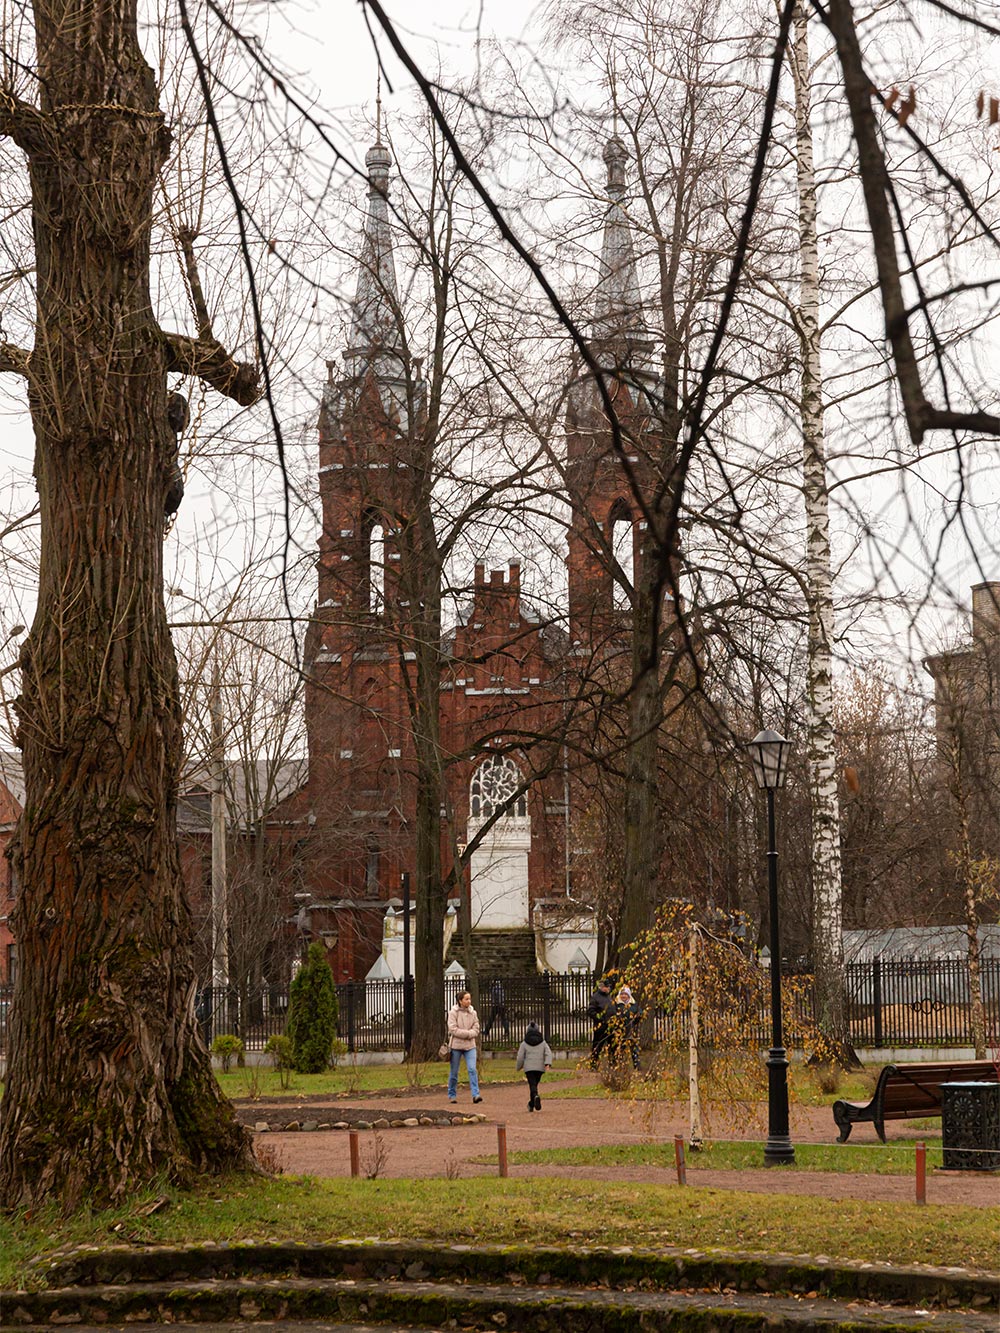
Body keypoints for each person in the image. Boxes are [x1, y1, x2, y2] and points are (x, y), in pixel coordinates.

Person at [446, 990, 483, 1103]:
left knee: (472, 1069)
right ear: (460, 1001)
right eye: (466, 999)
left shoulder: (473, 1013)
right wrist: (467, 1034)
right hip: (456, 1046)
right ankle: (452, 1094)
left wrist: (471, 1034)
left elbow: (476, 1027)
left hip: (470, 1046)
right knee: (454, 1072)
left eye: (469, 999)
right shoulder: (453, 1012)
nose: (469, 1001)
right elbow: (452, 1029)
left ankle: (476, 1094)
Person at [515, 1021, 553, 1111]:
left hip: (529, 1068)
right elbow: (548, 1053)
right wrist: (547, 1063)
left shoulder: (524, 1043)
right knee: (535, 1084)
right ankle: (531, 1104)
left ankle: (534, 1098)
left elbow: (520, 1057)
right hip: (539, 1068)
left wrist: (518, 1067)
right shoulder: (543, 1042)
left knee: (532, 1084)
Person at [612, 985, 642, 1070]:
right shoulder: (617, 1004)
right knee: (620, 1049)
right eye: (622, 994)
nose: (623, 996)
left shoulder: (633, 1004)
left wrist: (639, 1015)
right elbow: (613, 1014)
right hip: (620, 1031)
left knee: (634, 1049)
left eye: (625, 994)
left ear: (629, 995)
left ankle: (637, 1066)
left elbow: (640, 1011)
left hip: (632, 1030)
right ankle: (618, 1066)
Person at [586, 977, 613, 1068]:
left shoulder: (609, 997)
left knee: (612, 1046)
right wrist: (600, 1019)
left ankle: (612, 1063)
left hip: (611, 1025)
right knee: (597, 1045)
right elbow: (591, 1011)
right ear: (602, 987)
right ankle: (594, 1064)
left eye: (608, 987)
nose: (608, 988)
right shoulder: (596, 997)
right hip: (600, 1026)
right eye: (606, 987)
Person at [481, 978, 510, 1042]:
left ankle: (487, 1031)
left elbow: (498, 997)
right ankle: (506, 1031)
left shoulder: (496, 988)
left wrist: (497, 1004)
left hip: (497, 1006)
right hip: (500, 1005)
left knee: (492, 1019)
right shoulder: (501, 988)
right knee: (503, 1019)